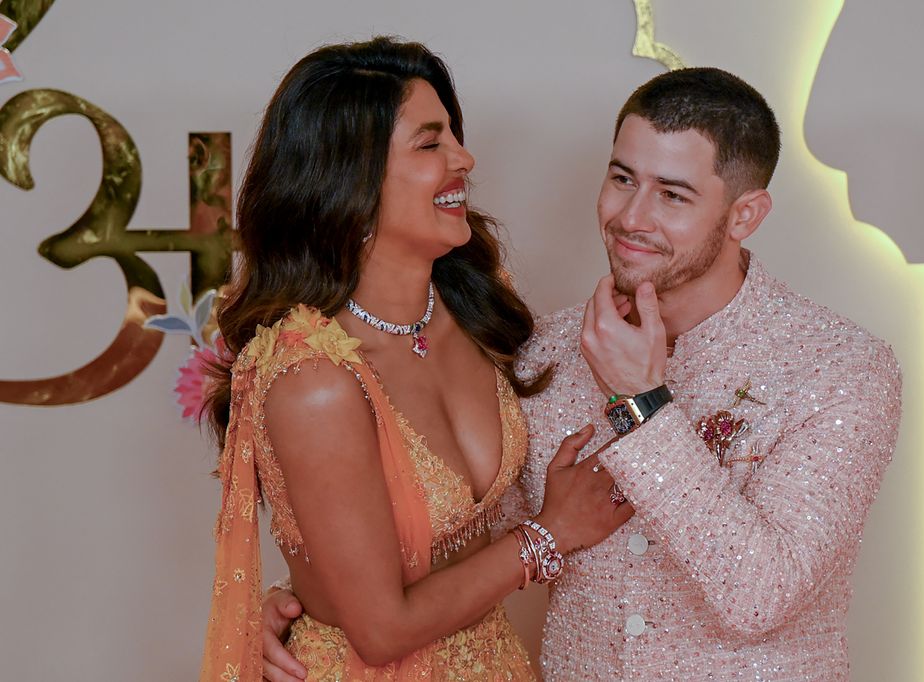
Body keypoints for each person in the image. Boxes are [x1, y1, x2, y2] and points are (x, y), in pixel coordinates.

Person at [263, 67, 902, 680]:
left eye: (672, 195)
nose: (631, 217)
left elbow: (759, 597)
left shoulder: (839, 369)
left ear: (745, 215)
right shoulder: (543, 350)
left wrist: (641, 402)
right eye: (623, 179)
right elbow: (454, 531)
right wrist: (311, 604)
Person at [199, 37, 633, 682]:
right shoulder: (312, 378)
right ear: (349, 180)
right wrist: (550, 534)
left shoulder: (477, 307)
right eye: (430, 144)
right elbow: (381, 632)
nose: (465, 158)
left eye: (454, 134)